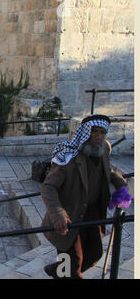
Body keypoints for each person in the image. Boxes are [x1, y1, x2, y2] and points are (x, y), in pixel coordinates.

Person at [41, 114, 129, 279]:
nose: (97, 136)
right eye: (94, 131)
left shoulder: (103, 151)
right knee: (71, 266)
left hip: (91, 212)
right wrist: (57, 213)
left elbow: (106, 171)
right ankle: (65, 272)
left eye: (101, 132)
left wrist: (119, 182)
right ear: (85, 132)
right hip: (69, 215)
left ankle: (58, 271)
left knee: (94, 254)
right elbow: (48, 187)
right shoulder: (68, 158)